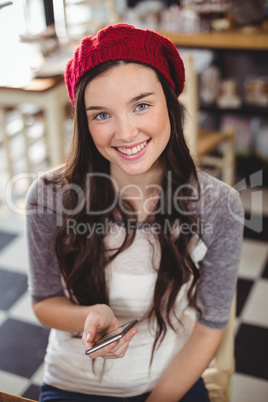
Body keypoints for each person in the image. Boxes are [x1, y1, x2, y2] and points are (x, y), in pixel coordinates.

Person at [26, 24, 244, 402]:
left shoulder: (219, 205)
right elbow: (44, 301)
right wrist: (88, 316)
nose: (126, 133)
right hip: (73, 384)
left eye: (141, 105)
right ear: (84, 122)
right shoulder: (49, 196)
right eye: (101, 115)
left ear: (171, 105)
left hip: (172, 381)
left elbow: (211, 325)